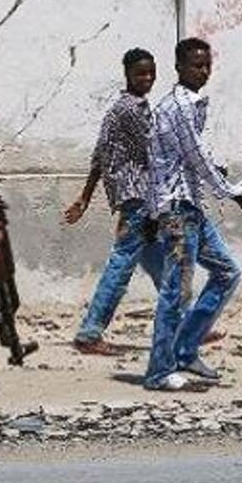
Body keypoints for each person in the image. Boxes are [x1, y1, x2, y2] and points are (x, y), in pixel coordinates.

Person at [143, 38, 242, 391]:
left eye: (207, 64)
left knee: (227, 272)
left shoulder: (190, 104)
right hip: (177, 210)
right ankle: (159, 370)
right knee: (175, 292)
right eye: (196, 65)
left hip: (190, 206)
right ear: (179, 67)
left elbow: (187, 157)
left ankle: (184, 350)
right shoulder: (180, 105)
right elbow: (195, 156)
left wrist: (216, 169)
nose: (203, 71)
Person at [64, 48, 165, 355]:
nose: (146, 78)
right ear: (128, 75)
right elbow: (160, 149)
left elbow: (99, 156)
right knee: (121, 266)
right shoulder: (133, 110)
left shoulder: (117, 110)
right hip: (139, 199)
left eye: (150, 73)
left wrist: (85, 197)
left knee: (164, 265)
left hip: (135, 198)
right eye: (140, 73)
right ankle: (90, 332)